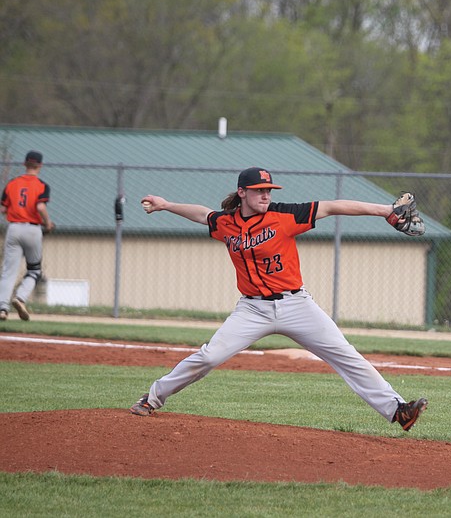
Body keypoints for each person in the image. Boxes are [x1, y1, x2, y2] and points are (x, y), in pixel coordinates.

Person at [130, 167, 428, 431]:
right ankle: (153, 397)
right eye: (259, 191)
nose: (265, 196)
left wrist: (384, 211)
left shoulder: (285, 215)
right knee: (209, 356)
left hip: (296, 305)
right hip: (252, 309)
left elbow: (334, 206)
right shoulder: (226, 223)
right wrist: (166, 205)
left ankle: (398, 410)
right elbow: (202, 214)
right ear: (242, 193)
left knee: (344, 353)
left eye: (269, 190)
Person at [0, 150, 55, 321]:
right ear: (40, 165)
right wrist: (47, 223)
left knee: (8, 271)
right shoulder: (41, 185)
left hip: (14, 228)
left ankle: (2, 308)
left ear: (25, 164)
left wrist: (15, 216)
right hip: (32, 229)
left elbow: (3, 209)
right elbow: (40, 207)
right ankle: (21, 297)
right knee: (34, 270)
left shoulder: (12, 184)